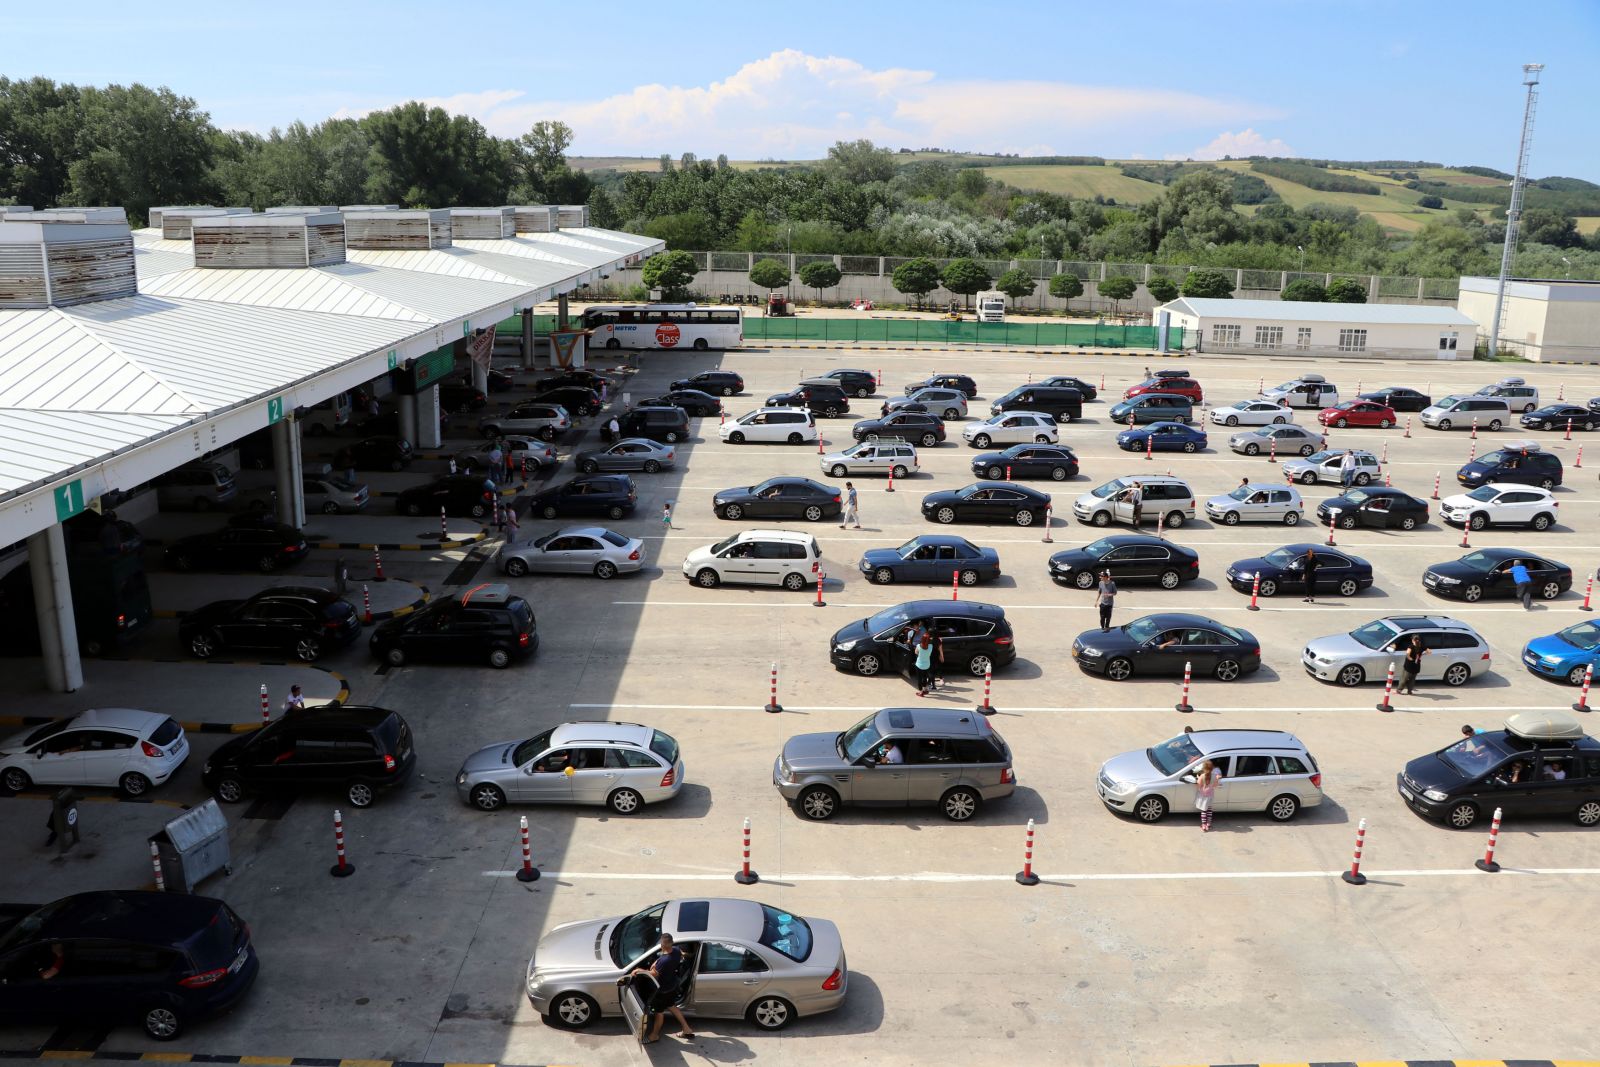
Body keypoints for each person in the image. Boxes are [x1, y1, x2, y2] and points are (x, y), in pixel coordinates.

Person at [627, 934, 695, 1043]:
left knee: (659, 1013)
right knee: (672, 1006)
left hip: (662, 991)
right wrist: (690, 955)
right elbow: (681, 954)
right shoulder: (676, 950)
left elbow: (653, 974)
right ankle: (686, 1029)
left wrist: (639, 970)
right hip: (672, 986)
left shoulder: (664, 961)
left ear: (662, 945)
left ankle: (654, 1036)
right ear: (672, 943)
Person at [1194, 759, 1221, 832]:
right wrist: (1217, 779)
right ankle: (1208, 823)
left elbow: (1198, 785)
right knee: (1209, 809)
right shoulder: (1214, 776)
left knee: (1203, 810)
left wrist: (1197, 778)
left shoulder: (1202, 776)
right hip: (1210, 795)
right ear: (1212, 768)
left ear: (1204, 768)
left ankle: (1203, 824)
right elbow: (1215, 785)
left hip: (1203, 795)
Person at [913, 630, 935, 697]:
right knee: (925, 677)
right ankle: (925, 690)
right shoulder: (931, 646)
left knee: (919, 679)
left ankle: (921, 691)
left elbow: (916, 653)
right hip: (927, 665)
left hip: (919, 665)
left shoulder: (919, 646)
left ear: (922, 639)